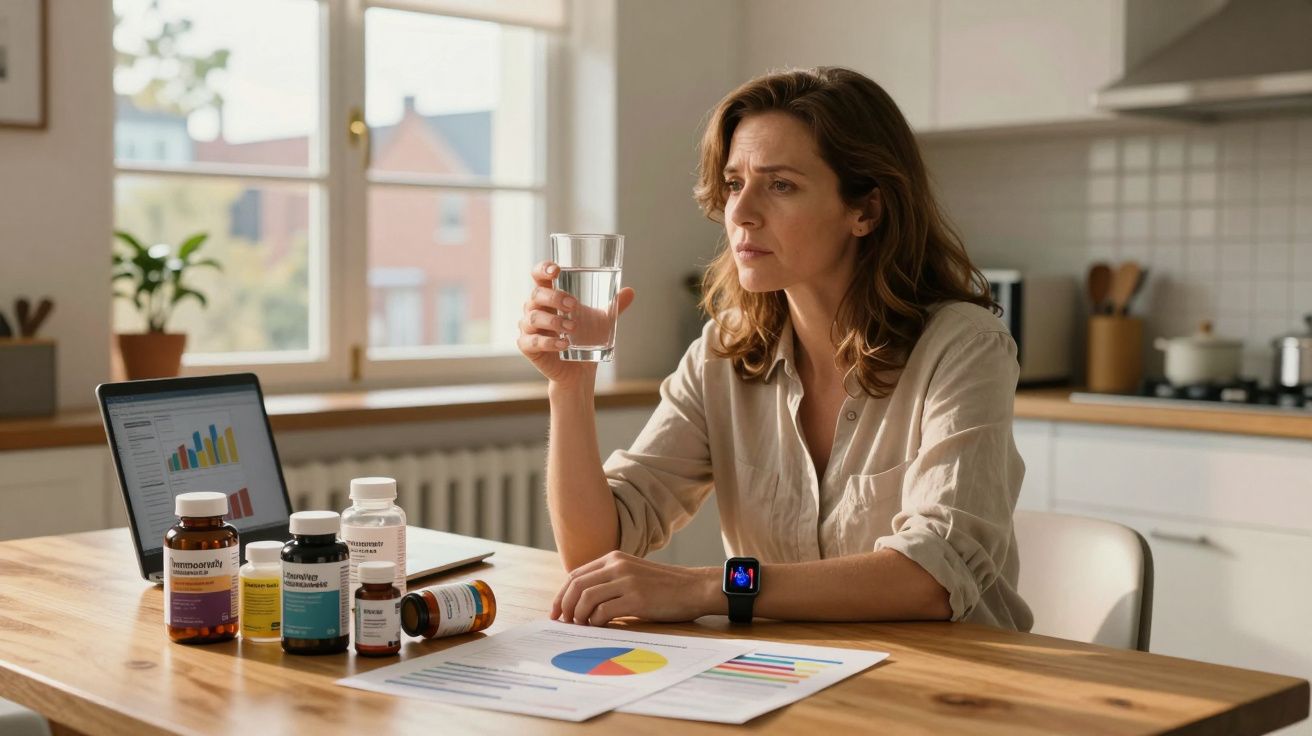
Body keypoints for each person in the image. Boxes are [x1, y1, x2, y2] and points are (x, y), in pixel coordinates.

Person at [517, 66, 1032, 632]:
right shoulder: (723, 354)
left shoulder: (963, 347)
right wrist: (569, 388)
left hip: (952, 685)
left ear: (866, 211)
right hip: (786, 675)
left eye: (780, 184)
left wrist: (707, 587)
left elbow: (933, 575)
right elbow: (595, 556)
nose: (739, 212)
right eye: (735, 183)